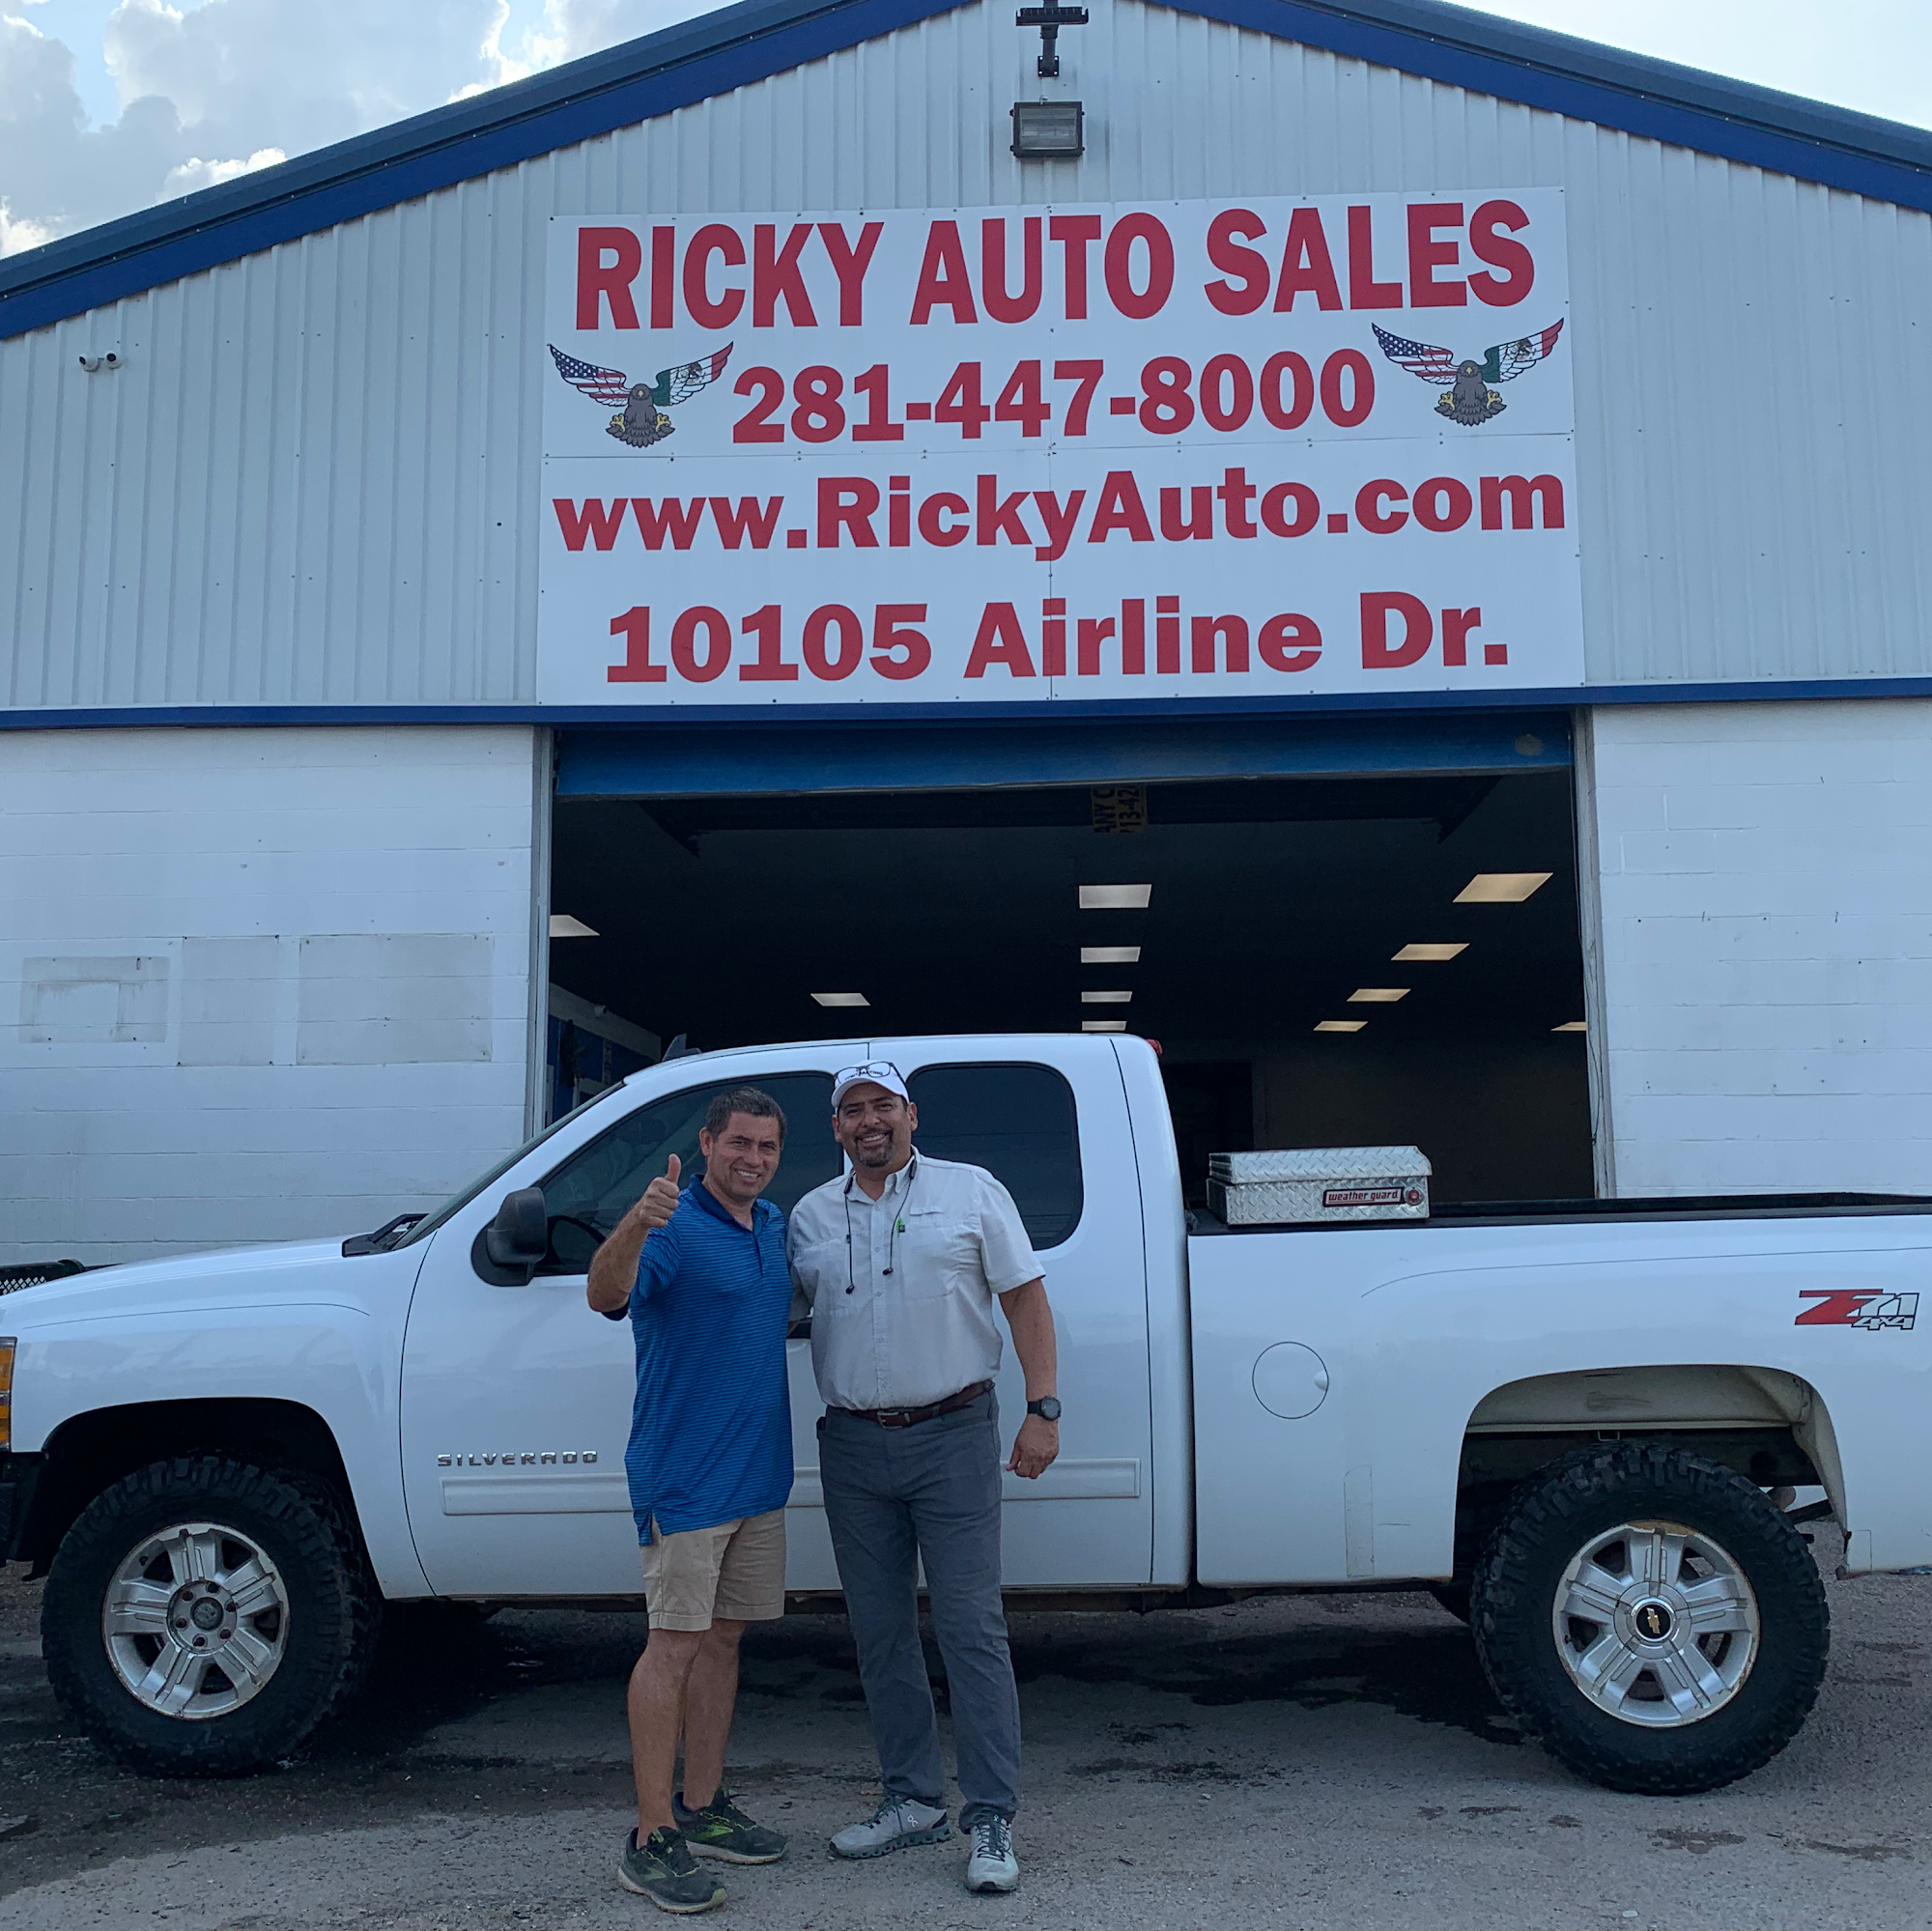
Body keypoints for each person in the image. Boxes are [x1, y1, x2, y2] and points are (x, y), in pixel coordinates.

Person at [786, 1062, 1061, 1896]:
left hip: (953, 1434)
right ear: (836, 1127)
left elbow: (1025, 1299)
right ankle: (911, 1799)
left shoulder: (971, 1190)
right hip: (853, 1444)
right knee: (880, 1631)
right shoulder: (809, 1216)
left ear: (912, 1113)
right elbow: (775, 1313)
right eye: (852, 1109)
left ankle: (991, 1815)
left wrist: (1043, 1408)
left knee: (972, 1627)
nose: (869, 1120)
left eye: (883, 1105)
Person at [586, 1087, 796, 1915]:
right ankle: (650, 1837)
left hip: (757, 1478)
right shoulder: (669, 1227)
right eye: (738, 1142)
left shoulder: (771, 1224)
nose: (752, 1158)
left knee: (723, 1639)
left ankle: (702, 1807)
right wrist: (638, 1221)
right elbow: (604, 1294)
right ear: (708, 1143)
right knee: (671, 1646)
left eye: (767, 1146)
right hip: (685, 1481)